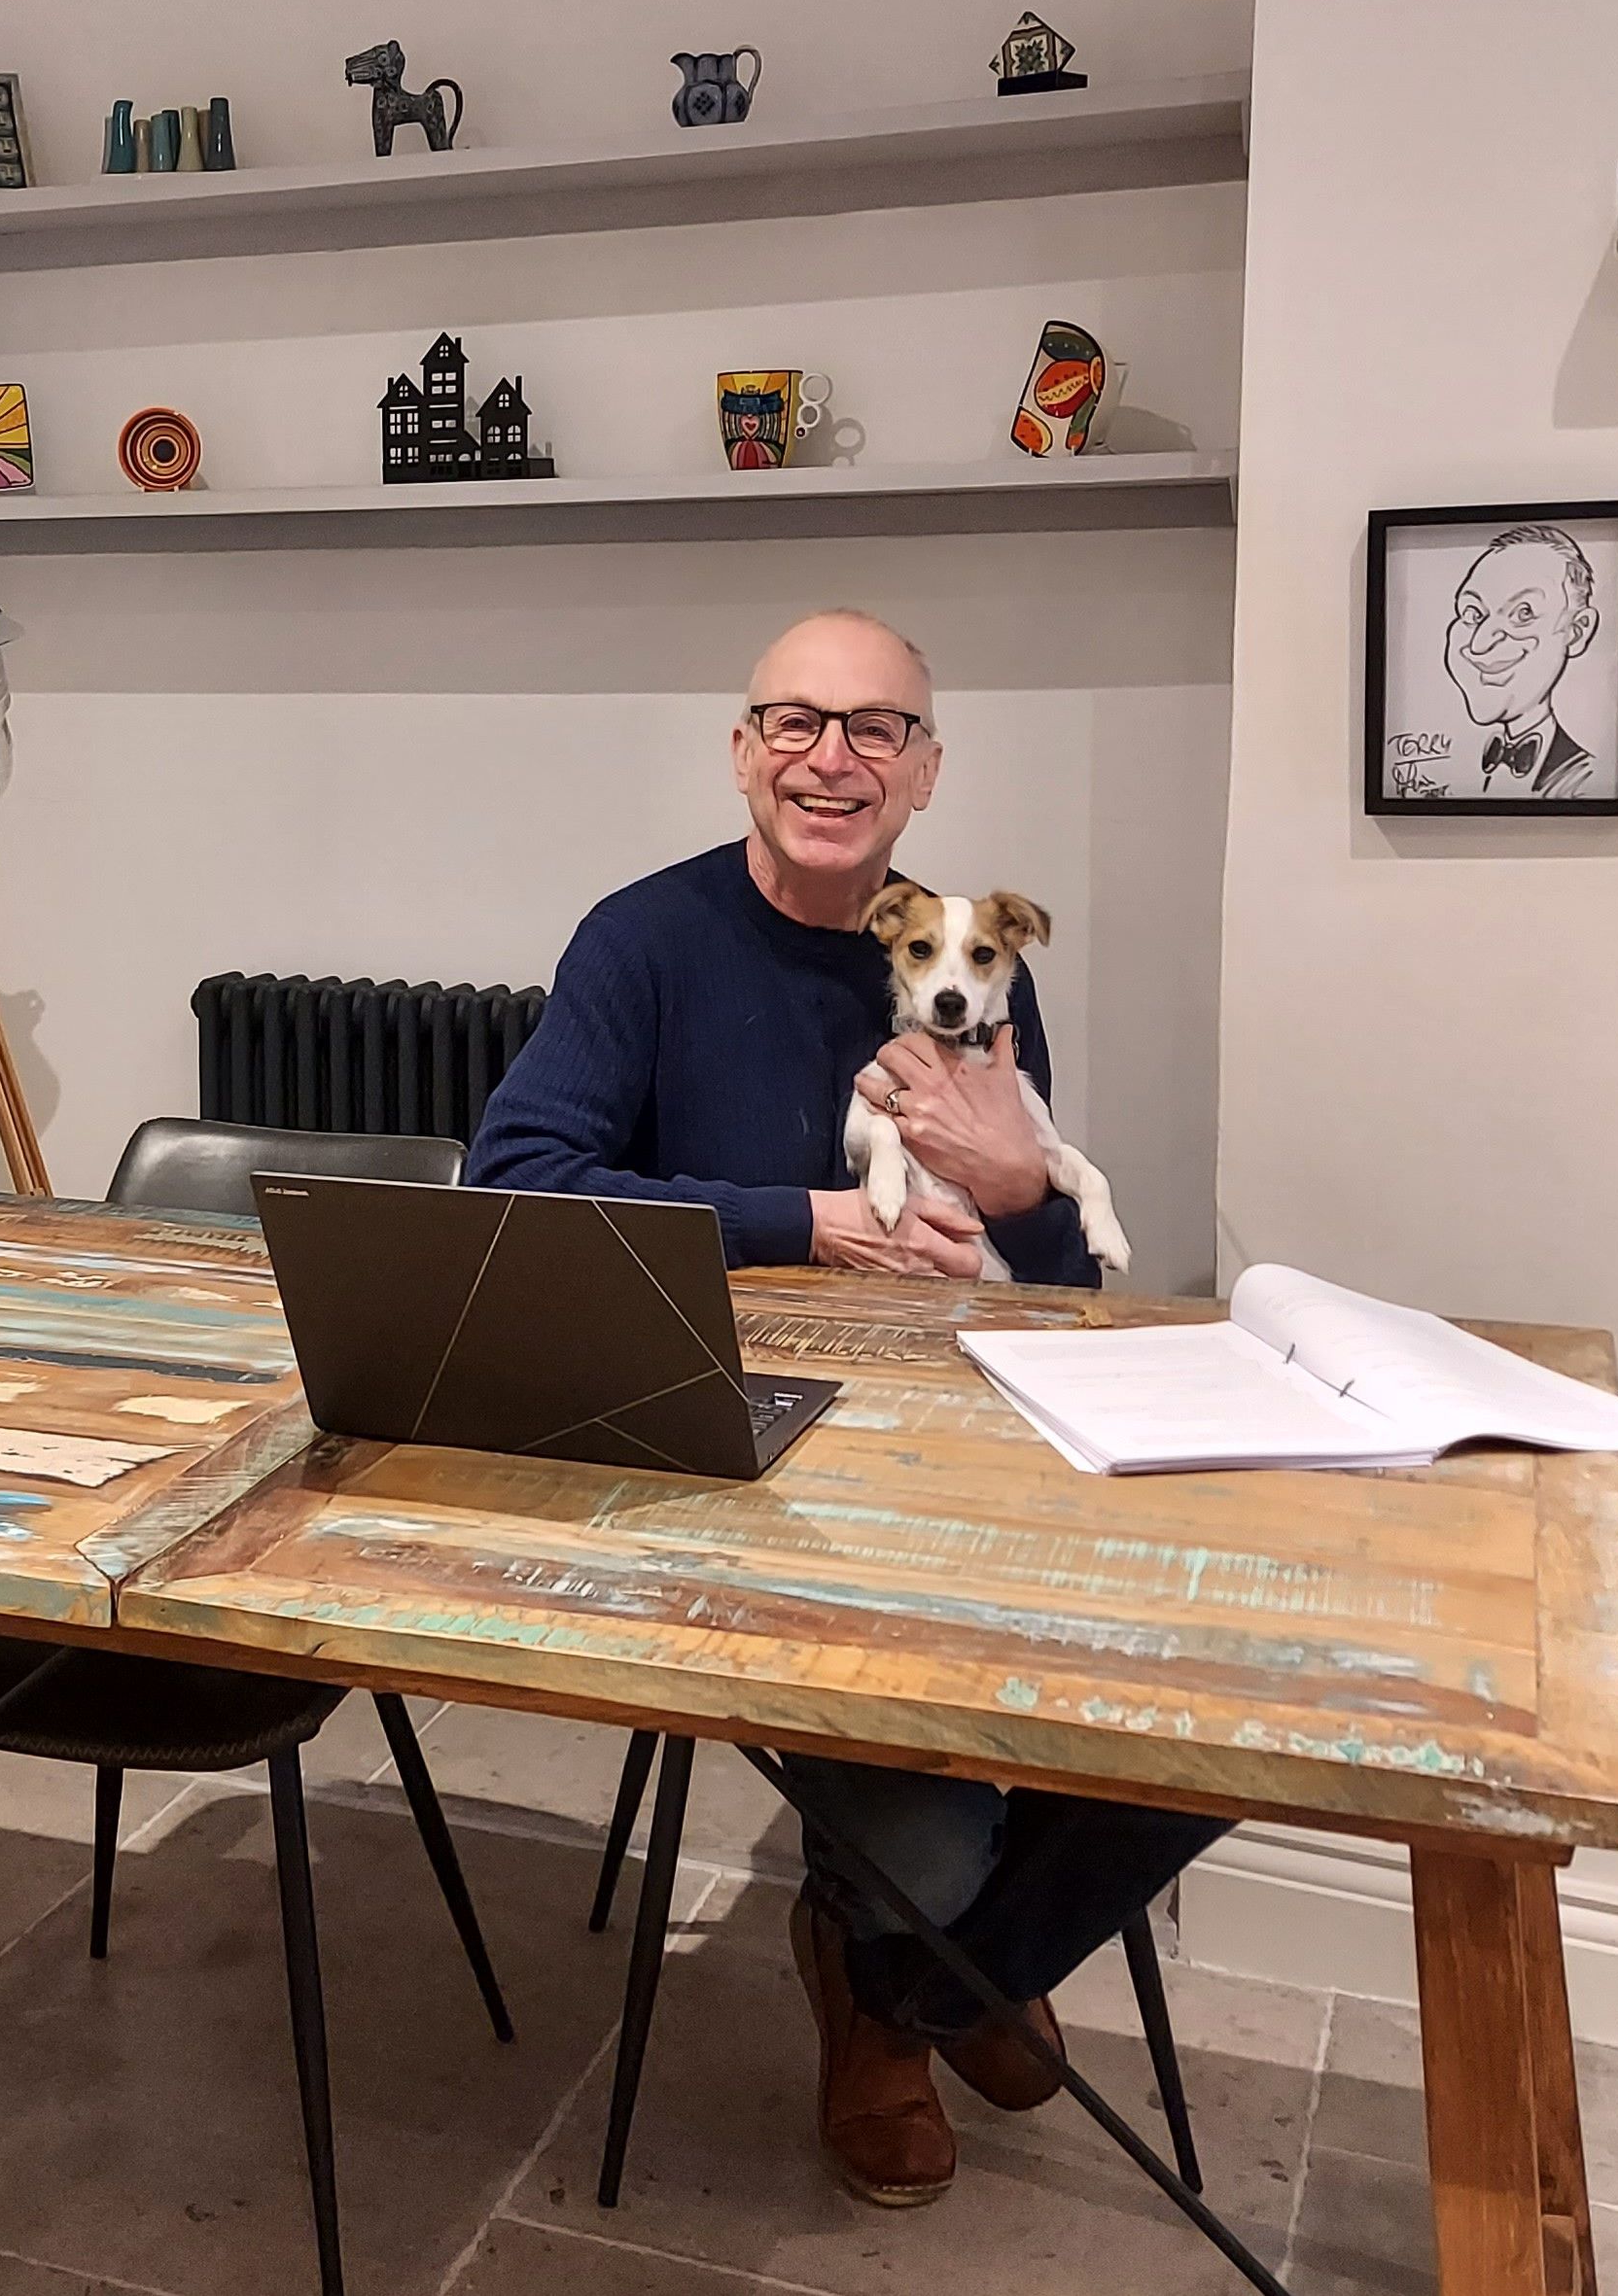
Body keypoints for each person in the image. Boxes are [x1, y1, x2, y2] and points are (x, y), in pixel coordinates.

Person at [465, 608, 1226, 2210]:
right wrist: (809, 1222)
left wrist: (1021, 1184)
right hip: (723, 1449)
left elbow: (1044, 1279)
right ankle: (908, 1980)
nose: (831, 755)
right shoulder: (641, 940)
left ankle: (935, 1979)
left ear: (923, 769)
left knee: (1224, 1699)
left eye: (874, 727)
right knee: (939, 1839)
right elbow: (518, 1184)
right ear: (743, 752)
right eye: (795, 722)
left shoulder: (970, 955)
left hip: (946, 1434)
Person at [1446, 524, 1600, 796]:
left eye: (1524, 613)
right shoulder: (1449, 771)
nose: (1479, 644)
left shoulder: (1588, 783)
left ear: (1576, 632)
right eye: (1472, 613)